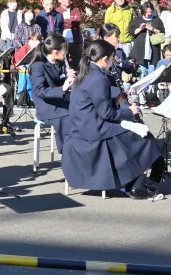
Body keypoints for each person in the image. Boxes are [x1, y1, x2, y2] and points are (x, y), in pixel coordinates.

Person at [61, 39, 165, 198]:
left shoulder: (85, 72)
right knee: (144, 138)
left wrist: (116, 101)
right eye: (112, 58)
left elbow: (94, 104)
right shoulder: (99, 78)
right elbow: (106, 114)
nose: (113, 61)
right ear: (104, 59)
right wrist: (130, 112)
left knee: (136, 134)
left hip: (82, 124)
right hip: (94, 128)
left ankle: (133, 181)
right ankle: (137, 186)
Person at [30, 34, 72, 147]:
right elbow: (40, 91)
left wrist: (68, 78)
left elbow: (58, 81)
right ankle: (67, 150)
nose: (66, 52)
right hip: (47, 106)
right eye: (64, 49)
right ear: (56, 52)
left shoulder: (56, 62)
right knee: (68, 116)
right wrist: (63, 88)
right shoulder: (38, 66)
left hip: (58, 102)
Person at [128, 0, 166, 75]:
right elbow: (131, 32)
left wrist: (152, 29)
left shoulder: (157, 20)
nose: (147, 14)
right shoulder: (137, 19)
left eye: (150, 12)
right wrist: (140, 28)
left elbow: (162, 33)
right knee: (142, 72)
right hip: (140, 51)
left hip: (153, 50)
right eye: (145, 12)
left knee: (152, 72)